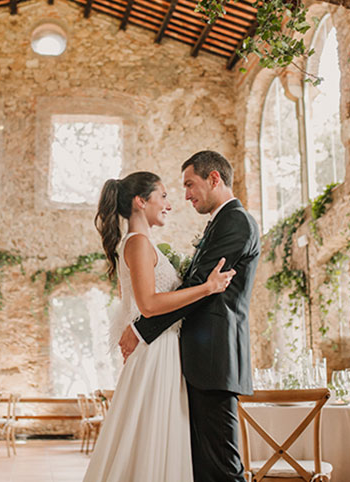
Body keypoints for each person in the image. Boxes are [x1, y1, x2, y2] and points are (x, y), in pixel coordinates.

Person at [83, 170, 236, 482]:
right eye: (163, 196)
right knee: (149, 438)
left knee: (155, 438)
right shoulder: (138, 243)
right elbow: (149, 305)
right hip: (156, 353)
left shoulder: (139, 243)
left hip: (163, 350)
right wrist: (207, 287)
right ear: (141, 202)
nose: (169, 204)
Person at [120, 150, 261, 482]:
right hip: (200, 362)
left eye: (189, 184)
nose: (185, 196)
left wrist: (141, 330)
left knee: (224, 469)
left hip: (215, 360)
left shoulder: (236, 222)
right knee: (203, 469)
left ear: (214, 179)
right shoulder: (220, 222)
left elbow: (201, 286)